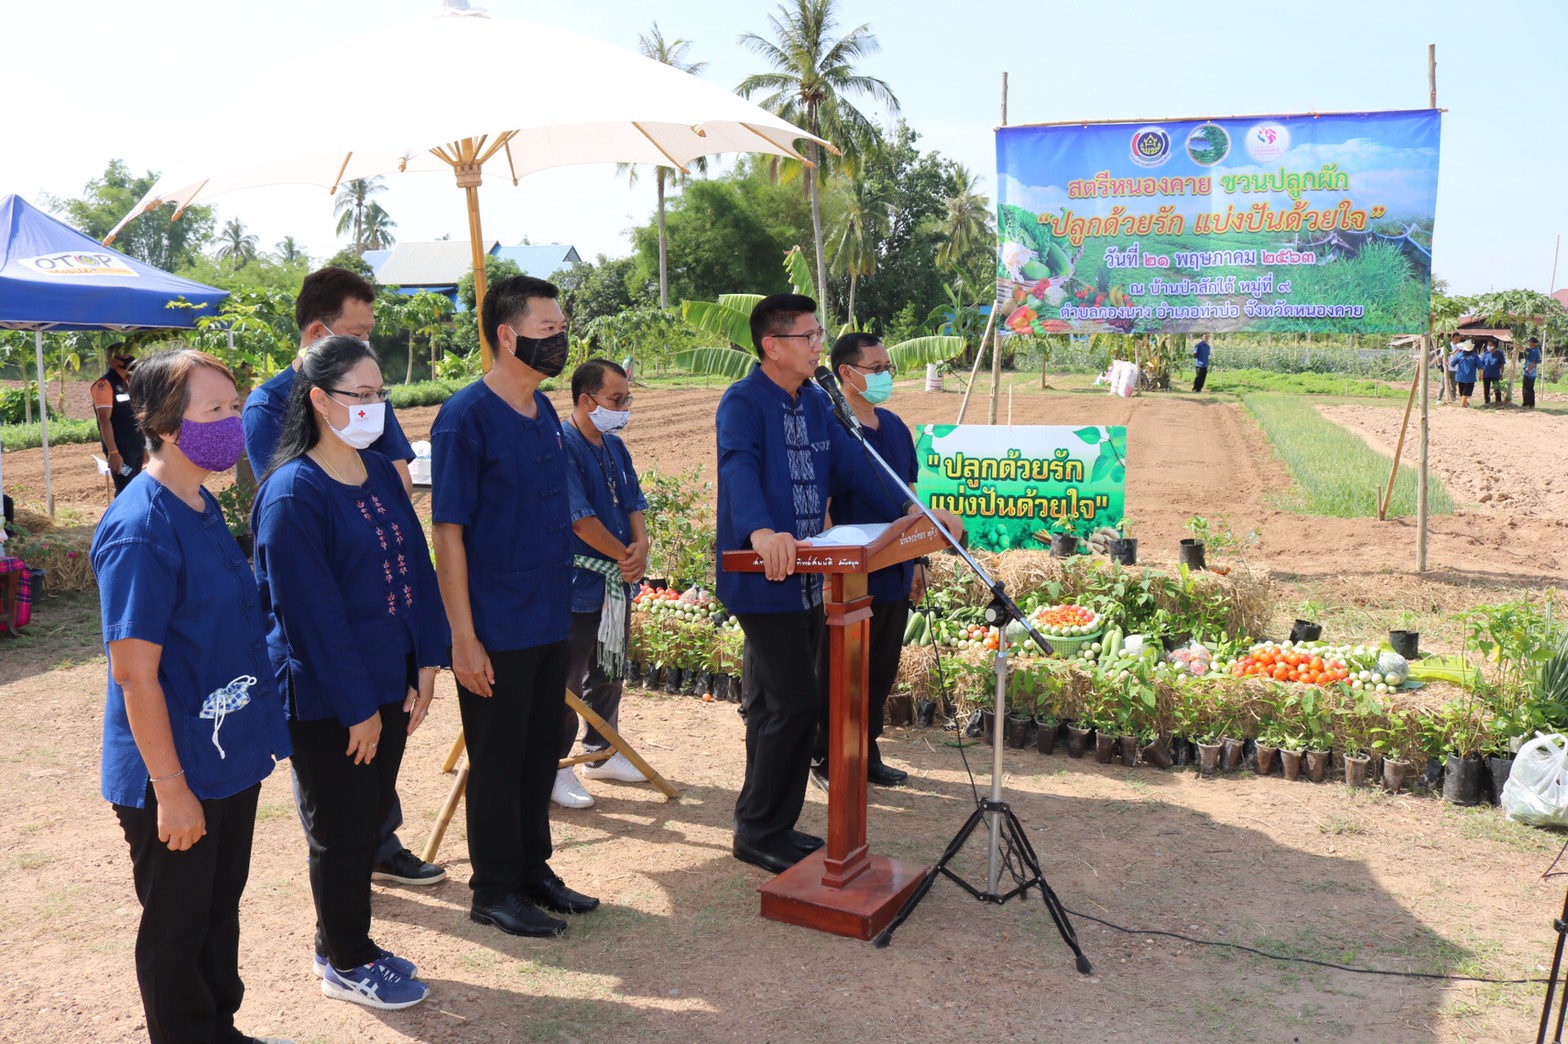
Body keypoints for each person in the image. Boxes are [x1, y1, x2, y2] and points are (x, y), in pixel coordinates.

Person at [715, 293, 963, 875]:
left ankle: (770, 824)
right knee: (793, 705)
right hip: (764, 577)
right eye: (808, 337)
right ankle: (757, 830)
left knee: (791, 707)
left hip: (810, 578)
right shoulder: (743, 403)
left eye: (818, 334)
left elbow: (855, 468)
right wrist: (759, 530)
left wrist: (915, 514)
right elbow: (737, 468)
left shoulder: (816, 405)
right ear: (772, 345)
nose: (818, 345)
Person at [90, 349, 294, 1044]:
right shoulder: (141, 528)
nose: (233, 423)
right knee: (178, 926)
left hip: (226, 755)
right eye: (215, 411)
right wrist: (172, 789)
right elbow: (134, 675)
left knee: (217, 911)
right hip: (173, 771)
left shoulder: (201, 501)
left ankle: (219, 1029)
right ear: (166, 425)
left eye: (234, 408)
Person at [253, 336, 449, 1010]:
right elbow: (312, 618)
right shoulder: (292, 495)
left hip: (390, 681)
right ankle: (347, 961)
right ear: (318, 400)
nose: (374, 408)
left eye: (379, 396)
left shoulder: (374, 474)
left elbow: (416, 569)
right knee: (340, 830)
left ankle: (337, 940)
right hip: (331, 698)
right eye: (359, 396)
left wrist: (427, 658)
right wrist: (358, 707)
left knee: (366, 821)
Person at [242, 266, 443, 888]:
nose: (367, 348)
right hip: (328, 585)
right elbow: (299, 515)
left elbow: (397, 470)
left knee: (377, 747)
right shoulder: (271, 407)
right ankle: (348, 868)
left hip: (376, 573)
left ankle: (378, 842)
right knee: (334, 763)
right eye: (356, 333)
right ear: (317, 332)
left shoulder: (365, 392)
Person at [431, 274, 600, 937]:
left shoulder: (545, 411)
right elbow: (449, 531)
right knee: (497, 761)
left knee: (537, 753)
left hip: (546, 612)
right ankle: (494, 888)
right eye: (547, 331)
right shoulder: (466, 416)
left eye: (562, 330)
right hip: (494, 624)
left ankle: (534, 870)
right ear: (508, 335)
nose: (560, 342)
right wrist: (463, 637)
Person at [810, 333, 922, 791]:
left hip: (893, 572)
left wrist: (917, 561)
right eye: (876, 368)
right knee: (840, 672)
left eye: (888, 367)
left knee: (879, 671)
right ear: (846, 374)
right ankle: (826, 757)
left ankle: (866, 751)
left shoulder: (894, 427)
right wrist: (825, 568)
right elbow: (823, 503)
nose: (885, 376)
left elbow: (911, 497)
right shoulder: (830, 428)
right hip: (850, 576)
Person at [553, 358, 649, 809]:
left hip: (616, 580)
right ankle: (553, 768)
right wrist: (624, 557)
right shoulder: (561, 445)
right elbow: (580, 521)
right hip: (577, 582)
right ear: (586, 400)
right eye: (616, 399)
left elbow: (633, 500)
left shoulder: (615, 447)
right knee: (564, 681)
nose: (624, 407)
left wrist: (641, 545)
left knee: (609, 669)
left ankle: (600, 750)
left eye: (626, 398)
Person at [90, 341, 146, 495]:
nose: (130, 359)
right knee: (125, 492)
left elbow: (136, 414)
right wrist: (113, 453)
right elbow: (104, 420)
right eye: (126, 355)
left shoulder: (130, 382)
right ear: (114, 360)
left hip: (136, 447)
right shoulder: (104, 385)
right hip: (121, 451)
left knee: (137, 490)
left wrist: (144, 446)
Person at [1448, 333, 1479, 408]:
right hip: (1469, 377)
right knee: (1465, 391)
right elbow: (1480, 366)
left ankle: (1464, 403)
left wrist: (1447, 363)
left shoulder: (1460, 354)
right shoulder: (1474, 355)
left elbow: (1452, 364)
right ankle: (1463, 404)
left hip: (1460, 376)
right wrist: (1481, 374)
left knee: (1462, 391)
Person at [1479, 341, 1505, 406]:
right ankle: (1487, 402)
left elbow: (1502, 365)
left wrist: (1501, 373)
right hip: (1486, 374)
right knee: (1486, 389)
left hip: (1495, 374)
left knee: (1496, 388)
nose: (1488, 346)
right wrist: (1481, 374)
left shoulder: (1500, 354)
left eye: (1490, 345)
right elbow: (1481, 365)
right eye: (1488, 345)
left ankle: (1498, 402)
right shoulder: (1485, 353)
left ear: (1495, 346)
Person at [1523, 336, 1542, 409]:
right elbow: (1524, 349)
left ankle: (1527, 403)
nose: (1529, 343)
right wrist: (1515, 345)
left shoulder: (1534, 352)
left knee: (1527, 388)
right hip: (1530, 372)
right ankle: (1531, 403)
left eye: (1530, 342)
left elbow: (1533, 363)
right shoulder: (1532, 350)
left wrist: (1528, 371)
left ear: (1533, 343)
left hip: (1530, 373)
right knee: (1529, 388)